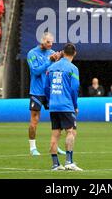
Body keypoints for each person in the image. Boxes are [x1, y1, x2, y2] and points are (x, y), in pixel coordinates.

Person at [44, 43, 82, 171]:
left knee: (55, 134)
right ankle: (69, 162)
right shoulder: (73, 68)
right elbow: (74, 88)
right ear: (74, 53)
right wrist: (75, 105)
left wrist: (50, 101)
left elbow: (46, 87)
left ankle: (55, 164)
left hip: (54, 105)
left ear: (63, 52)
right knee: (71, 132)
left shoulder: (51, 67)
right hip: (66, 105)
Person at [27, 32, 65, 156]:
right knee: (35, 119)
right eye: (48, 42)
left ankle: (55, 146)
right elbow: (35, 71)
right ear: (42, 41)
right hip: (36, 92)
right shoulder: (32, 53)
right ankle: (32, 147)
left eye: (52, 42)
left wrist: (60, 61)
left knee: (57, 118)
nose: (50, 44)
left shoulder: (52, 53)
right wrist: (50, 61)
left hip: (50, 91)